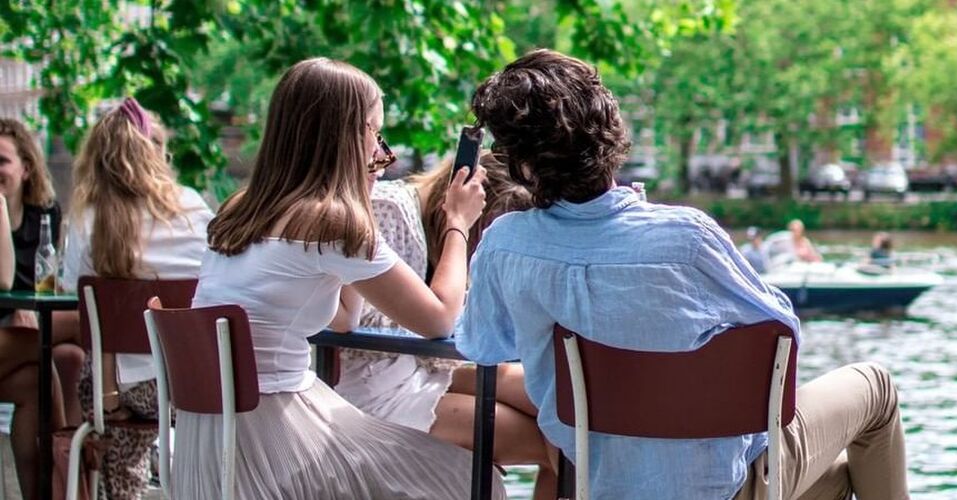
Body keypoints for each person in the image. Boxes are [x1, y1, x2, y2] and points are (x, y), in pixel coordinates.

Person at [459, 49, 909, 500]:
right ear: (611, 130)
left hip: (602, 486)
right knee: (876, 387)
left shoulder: (505, 245)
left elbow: (483, 343)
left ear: (520, 163)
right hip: (721, 487)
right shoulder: (684, 237)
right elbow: (782, 336)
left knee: (842, 477)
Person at [187, 57, 503, 499]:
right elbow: (438, 320)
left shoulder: (240, 207)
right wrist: (457, 223)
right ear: (348, 138)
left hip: (206, 442)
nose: (380, 153)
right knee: (470, 480)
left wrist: (360, 207)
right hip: (270, 441)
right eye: (376, 134)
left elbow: (341, 319)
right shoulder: (332, 222)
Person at [335, 153, 558, 498]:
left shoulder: (433, 230)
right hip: (379, 387)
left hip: (421, 371)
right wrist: (459, 227)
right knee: (559, 443)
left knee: (560, 399)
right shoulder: (388, 208)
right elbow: (430, 323)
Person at [60, 98, 214, 499]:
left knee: (103, 390)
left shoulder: (87, 218)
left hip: (114, 394)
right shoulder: (193, 207)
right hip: (190, 385)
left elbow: (69, 293)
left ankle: (123, 492)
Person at [0, 118, 84, 500]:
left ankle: (49, 489)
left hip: (22, 333)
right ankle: (74, 467)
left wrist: (30, 311)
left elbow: (51, 282)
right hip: (8, 334)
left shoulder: (44, 213)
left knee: (57, 363)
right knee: (70, 334)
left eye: (2, 160)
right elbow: (4, 281)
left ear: (26, 167)